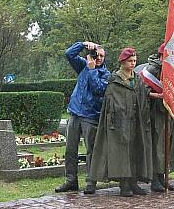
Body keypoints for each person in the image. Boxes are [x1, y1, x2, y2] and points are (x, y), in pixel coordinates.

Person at [88, 48, 153, 196]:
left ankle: (134, 182)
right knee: (122, 152)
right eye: (130, 61)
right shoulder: (114, 80)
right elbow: (110, 102)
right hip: (119, 122)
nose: (133, 63)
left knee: (136, 149)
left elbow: (143, 98)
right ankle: (124, 184)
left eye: (134, 61)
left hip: (136, 121)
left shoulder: (138, 80)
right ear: (123, 62)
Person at [57, 41, 110, 194]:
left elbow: (98, 89)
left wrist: (92, 70)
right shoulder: (83, 66)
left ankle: (91, 181)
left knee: (91, 151)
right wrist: (83, 44)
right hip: (75, 113)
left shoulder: (106, 74)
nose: (98, 58)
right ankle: (71, 180)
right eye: (96, 54)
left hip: (91, 115)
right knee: (70, 150)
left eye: (101, 56)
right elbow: (69, 54)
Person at [145, 45, 174, 192]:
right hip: (155, 112)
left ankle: (163, 177)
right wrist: (156, 95)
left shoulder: (172, 69)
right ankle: (155, 179)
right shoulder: (151, 70)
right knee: (157, 146)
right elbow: (143, 89)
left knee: (166, 146)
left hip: (167, 112)